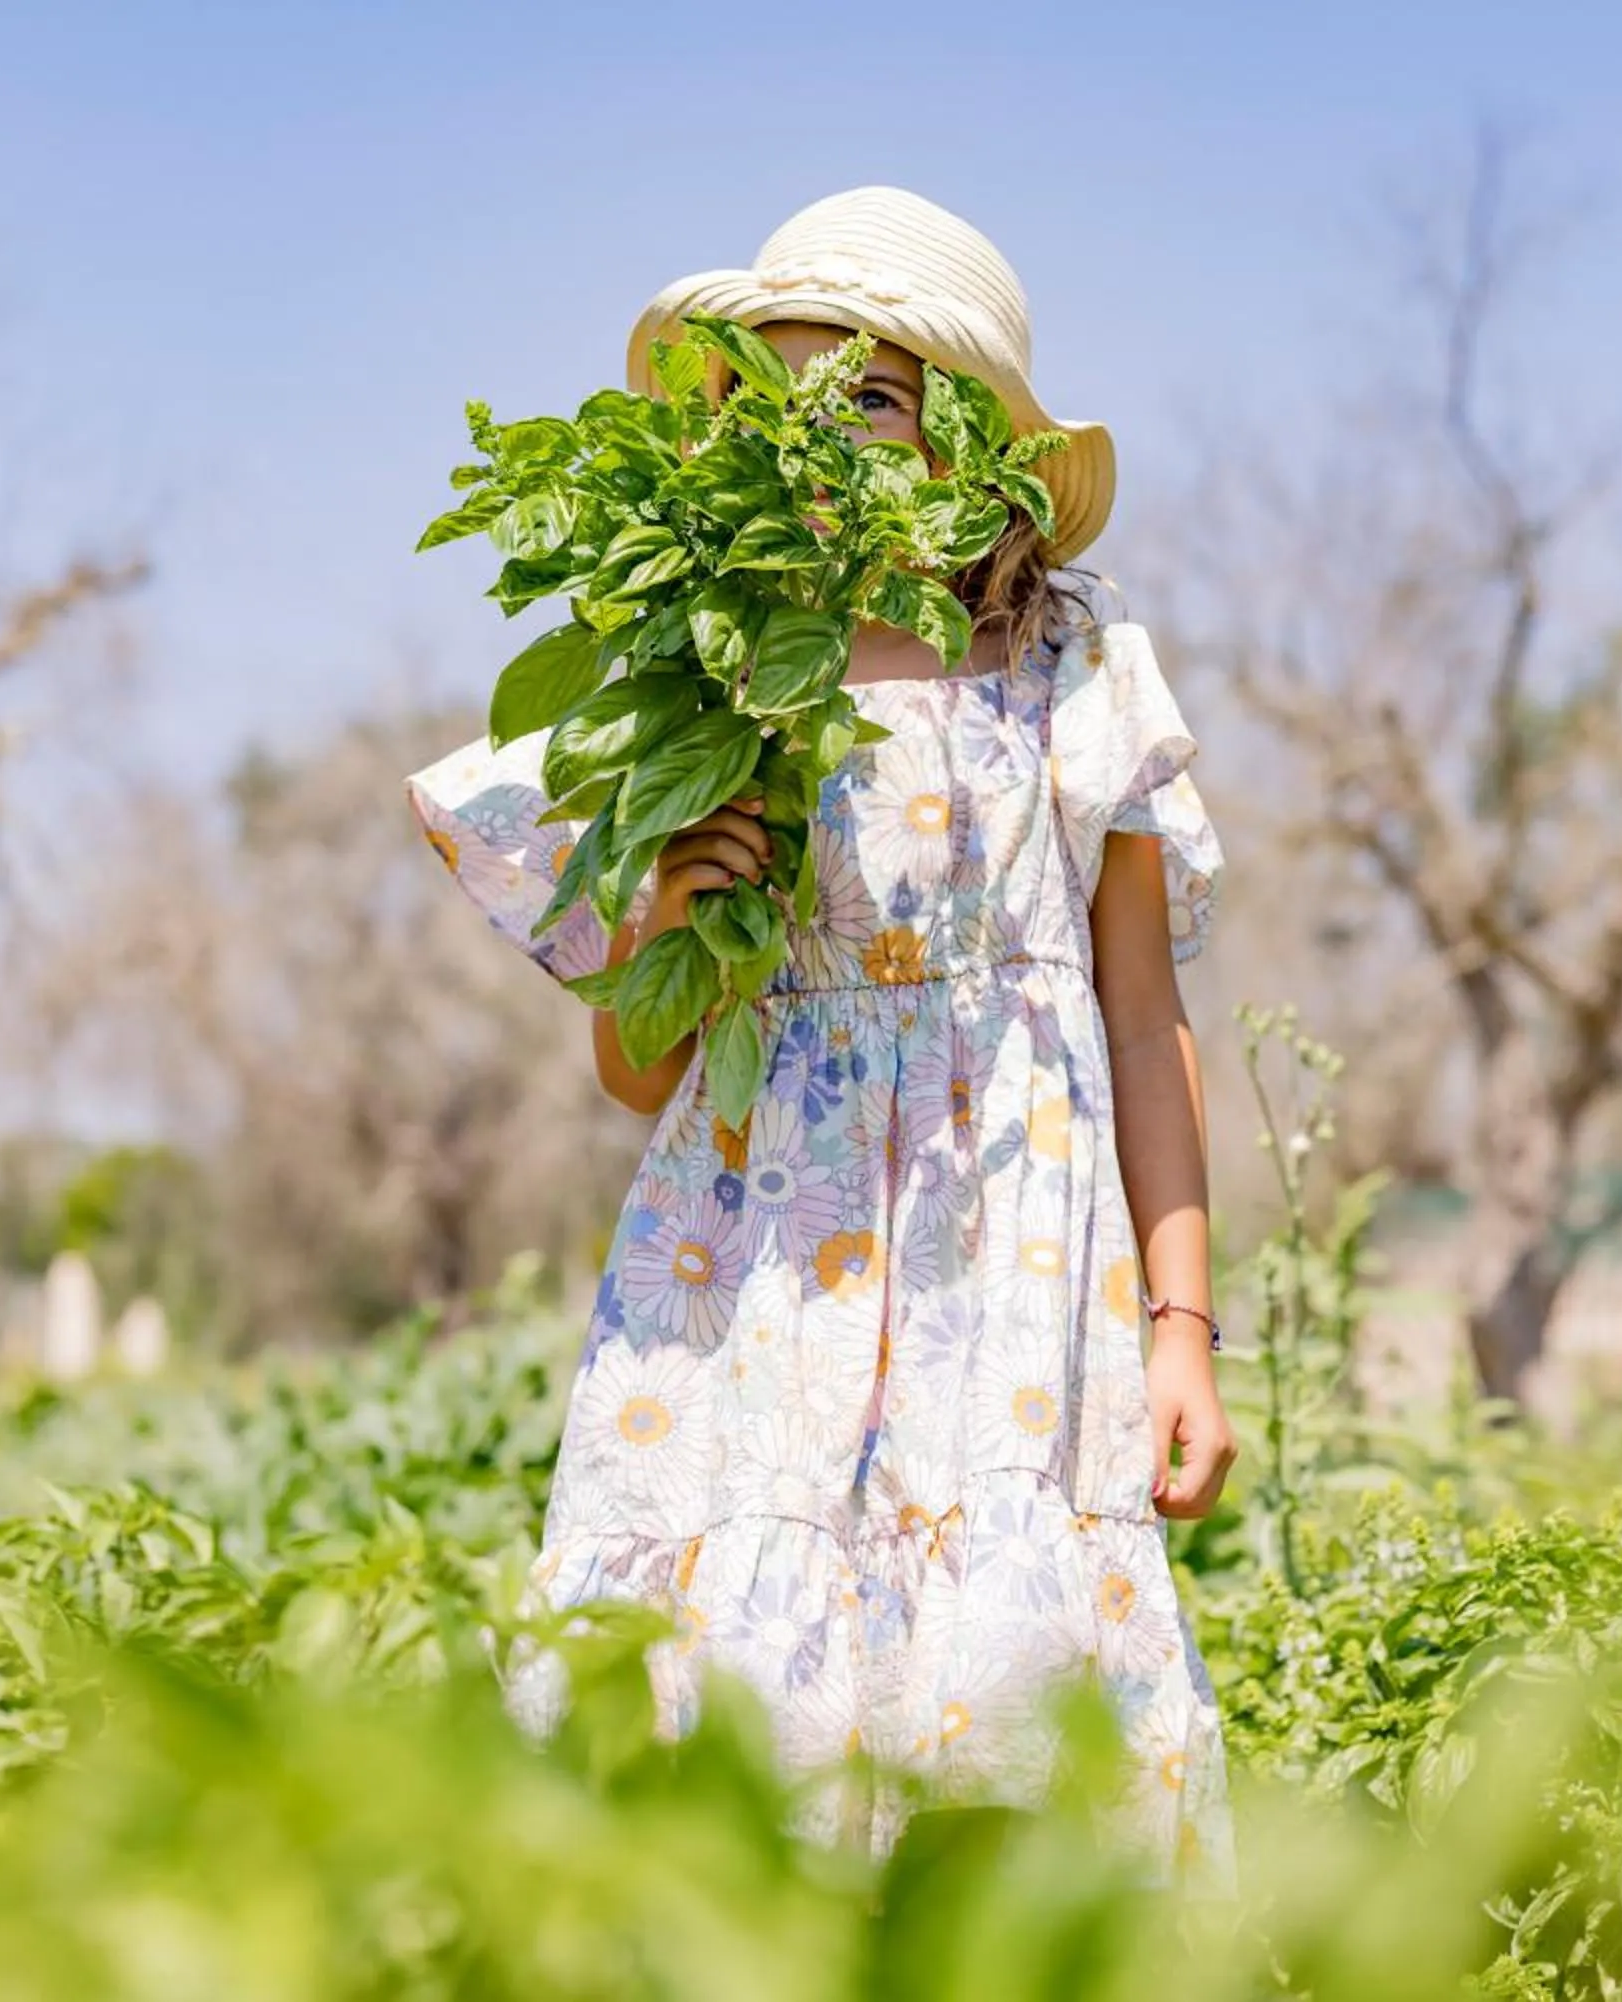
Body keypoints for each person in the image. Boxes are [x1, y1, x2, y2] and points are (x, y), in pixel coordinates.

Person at [404, 186, 1235, 1886]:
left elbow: (1142, 1026)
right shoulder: (707, 679)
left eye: (870, 398)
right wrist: (671, 927)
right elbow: (638, 1077)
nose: (825, 439)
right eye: (786, 403)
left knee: (1000, 1699)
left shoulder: (1071, 674)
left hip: (1008, 1280)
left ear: (976, 452)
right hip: (759, 1283)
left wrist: (1183, 1322)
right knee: (736, 1705)